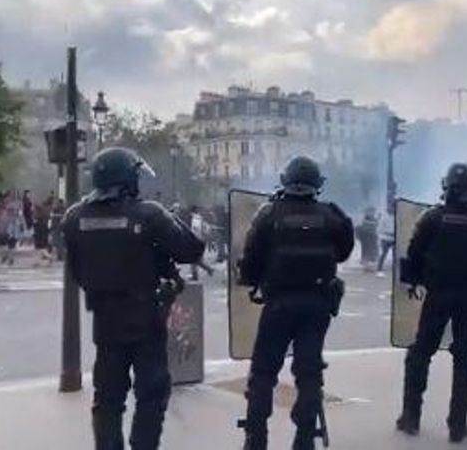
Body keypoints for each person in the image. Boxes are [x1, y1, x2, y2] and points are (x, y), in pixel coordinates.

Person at [62, 147, 204, 450]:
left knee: (108, 400)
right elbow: (192, 249)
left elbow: (77, 272)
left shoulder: (75, 218)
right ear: (128, 179)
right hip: (145, 321)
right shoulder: (149, 214)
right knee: (151, 395)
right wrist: (171, 218)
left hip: (105, 322)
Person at [238, 156, 354, 450]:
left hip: (278, 304)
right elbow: (343, 252)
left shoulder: (269, 214)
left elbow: (250, 260)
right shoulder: (330, 215)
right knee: (309, 372)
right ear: (317, 184)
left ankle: (255, 439)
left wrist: (253, 280)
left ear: (285, 180)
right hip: (317, 305)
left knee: (263, 373)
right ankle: (304, 438)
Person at [396, 163, 467, 443]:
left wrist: (415, 282)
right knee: (465, 359)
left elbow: (413, 255)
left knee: (420, 354)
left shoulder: (432, 218)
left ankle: (411, 417)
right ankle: (458, 425)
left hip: (438, 295)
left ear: (447, 188)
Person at [376, 206, 395, 277]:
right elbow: (379, 229)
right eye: (391, 209)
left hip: (394, 239)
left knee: (395, 255)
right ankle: (379, 270)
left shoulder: (396, 217)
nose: (392, 210)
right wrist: (388, 233)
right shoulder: (384, 218)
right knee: (383, 254)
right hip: (385, 239)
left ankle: (395, 270)